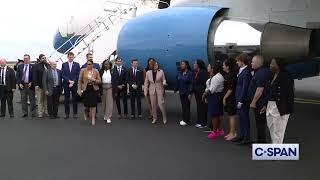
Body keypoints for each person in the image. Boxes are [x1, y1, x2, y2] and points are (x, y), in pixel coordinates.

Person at [266, 58, 294, 144]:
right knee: (271, 127)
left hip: (280, 106)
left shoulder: (285, 76)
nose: (270, 65)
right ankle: (274, 146)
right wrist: (265, 105)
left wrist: (284, 109)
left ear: (279, 66)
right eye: (270, 63)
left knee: (278, 131)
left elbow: (288, 94)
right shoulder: (272, 75)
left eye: (273, 64)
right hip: (270, 105)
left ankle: (277, 150)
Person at [247, 55, 272, 143]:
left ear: (258, 63)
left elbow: (260, 89)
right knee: (260, 123)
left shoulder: (261, 73)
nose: (251, 63)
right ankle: (261, 141)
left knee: (260, 124)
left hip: (260, 102)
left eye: (253, 62)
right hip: (262, 102)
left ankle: (261, 143)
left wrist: (253, 102)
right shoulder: (261, 72)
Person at [203, 62, 225, 139]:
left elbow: (211, 90)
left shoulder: (216, 77)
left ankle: (215, 131)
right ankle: (219, 129)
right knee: (216, 114)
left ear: (213, 68)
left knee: (214, 115)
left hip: (215, 96)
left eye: (209, 66)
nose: (208, 67)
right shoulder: (215, 76)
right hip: (215, 96)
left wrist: (204, 96)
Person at [234, 53, 252, 145]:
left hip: (243, 99)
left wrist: (241, 100)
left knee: (244, 118)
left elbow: (245, 87)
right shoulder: (241, 70)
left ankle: (246, 137)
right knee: (240, 118)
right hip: (238, 97)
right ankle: (241, 135)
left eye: (238, 61)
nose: (236, 62)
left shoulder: (247, 72)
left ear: (242, 61)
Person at [78, 59, 101, 126]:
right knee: (86, 105)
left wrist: (94, 80)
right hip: (86, 89)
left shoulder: (96, 71)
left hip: (93, 89)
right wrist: (79, 90)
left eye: (90, 64)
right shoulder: (83, 70)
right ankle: (85, 112)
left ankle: (93, 118)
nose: (88, 65)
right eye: (87, 64)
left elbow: (99, 81)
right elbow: (79, 81)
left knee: (93, 104)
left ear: (92, 65)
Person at [61, 52, 81, 119]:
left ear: (73, 57)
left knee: (74, 99)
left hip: (74, 84)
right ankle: (67, 114)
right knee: (66, 99)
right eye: (69, 57)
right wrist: (69, 81)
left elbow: (78, 74)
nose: (71, 58)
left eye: (72, 57)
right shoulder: (64, 64)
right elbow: (63, 74)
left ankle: (75, 113)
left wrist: (73, 82)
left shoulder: (77, 64)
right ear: (67, 57)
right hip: (66, 84)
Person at [222, 58, 238, 141]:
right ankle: (231, 132)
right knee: (229, 115)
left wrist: (225, 97)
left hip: (231, 98)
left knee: (232, 116)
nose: (222, 67)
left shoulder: (232, 74)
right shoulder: (226, 75)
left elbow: (231, 88)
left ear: (228, 66)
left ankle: (233, 133)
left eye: (224, 65)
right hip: (228, 98)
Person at [175, 60, 193, 126]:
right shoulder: (180, 73)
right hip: (181, 92)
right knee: (183, 106)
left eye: (183, 64)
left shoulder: (190, 73)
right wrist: (176, 89)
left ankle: (186, 120)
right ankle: (184, 119)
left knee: (187, 106)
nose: (181, 65)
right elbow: (177, 80)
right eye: (181, 64)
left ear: (186, 65)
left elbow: (191, 83)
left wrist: (190, 93)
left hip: (187, 92)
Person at [192, 59, 208, 128]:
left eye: (195, 63)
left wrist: (202, 91)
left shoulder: (203, 72)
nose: (194, 64)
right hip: (197, 93)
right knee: (199, 107)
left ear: (198, 65)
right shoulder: (196, 72)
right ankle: (199, 121)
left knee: (202, 107)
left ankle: (203, 123)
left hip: (201, 92)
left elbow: (204, 83)